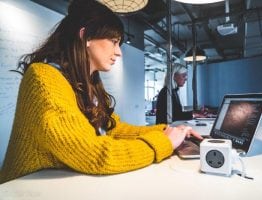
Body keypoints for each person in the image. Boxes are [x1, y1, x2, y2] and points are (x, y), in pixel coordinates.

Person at [0, 0, 202, 184]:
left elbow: (115, 129)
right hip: (24, 190)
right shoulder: (44, 78)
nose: (119, 52)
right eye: (114, 42)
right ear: (85, 36)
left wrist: (168, 131)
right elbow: (93, 154)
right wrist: (162, 142)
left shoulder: (89, 83)